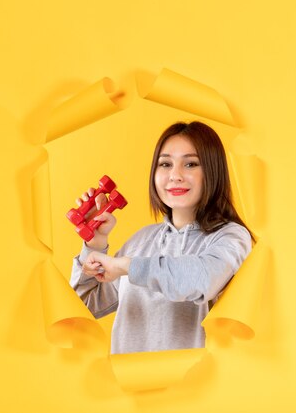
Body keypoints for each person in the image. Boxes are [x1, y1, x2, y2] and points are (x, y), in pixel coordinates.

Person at [70, 121, 253, 354]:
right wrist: (94, 243)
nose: (175, 175)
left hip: (196, 386)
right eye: (165, 164)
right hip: (128, 385)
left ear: (212, 170)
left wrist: (127, 266)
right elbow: (84, 308)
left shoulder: (230, 237)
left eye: (191, 164)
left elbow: (201, 280)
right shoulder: (140, 241)